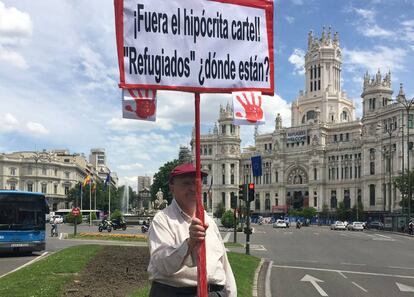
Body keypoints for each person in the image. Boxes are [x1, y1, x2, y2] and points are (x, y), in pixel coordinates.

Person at [147, 163, 237, 297]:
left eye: (196, 183)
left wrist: (231, 293)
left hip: (215, 292)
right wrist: (189, 244)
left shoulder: (208, 220)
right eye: (185, 183)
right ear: (172, 188)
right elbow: (162, 265)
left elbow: (223, 264)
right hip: (177, 292)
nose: (193, 188)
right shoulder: (163, 220)